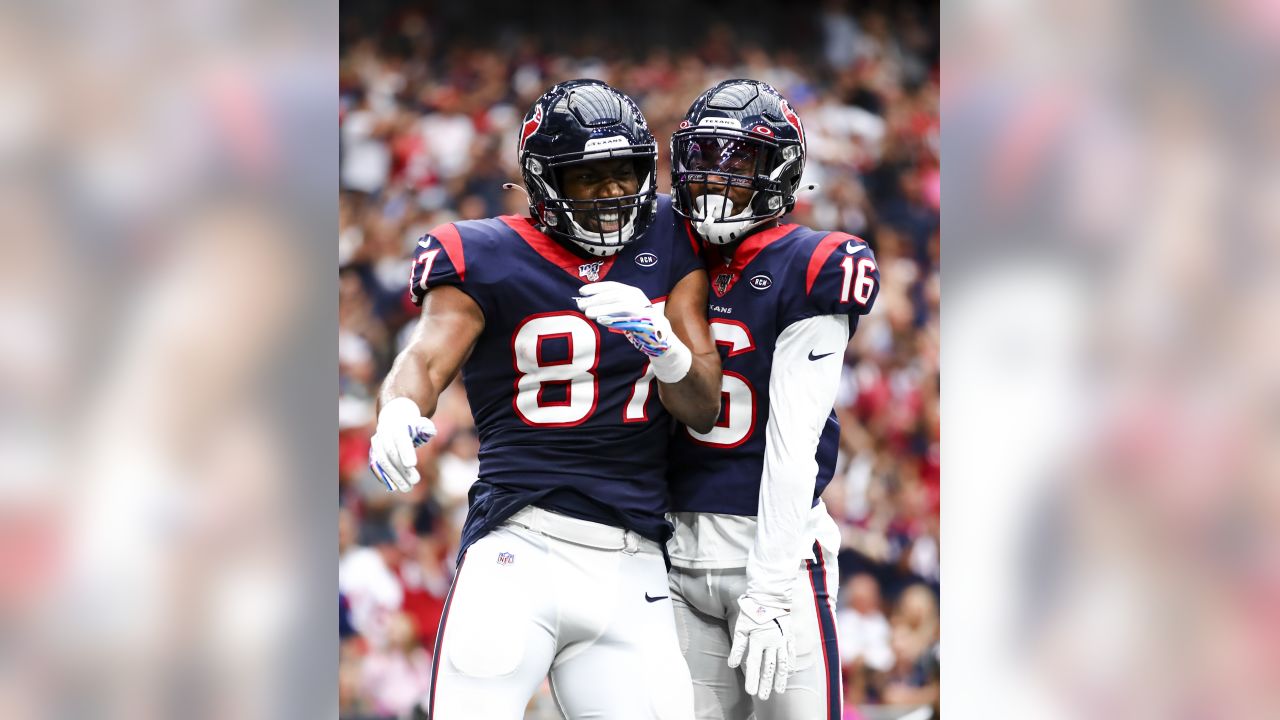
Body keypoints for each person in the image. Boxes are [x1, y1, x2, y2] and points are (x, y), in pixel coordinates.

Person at [368, 79, 721, 719]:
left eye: (627, 173)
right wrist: (398, 407)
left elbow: (702, 407)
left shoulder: (670, 234)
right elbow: (424, 356)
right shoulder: (482, 253)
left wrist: (665, 347)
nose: (616, 193)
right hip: (518, 546)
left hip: (632, 557)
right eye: (592, 177)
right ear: (543, 182)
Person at [664, 79, 882, 719]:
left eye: (741, 163)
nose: (718, 180)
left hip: (773, 553)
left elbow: (793, 447)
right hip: (674, 548)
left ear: (781, 173)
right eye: (705, 159)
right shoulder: (667, 255)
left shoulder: (808, 261)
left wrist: (768, 589)